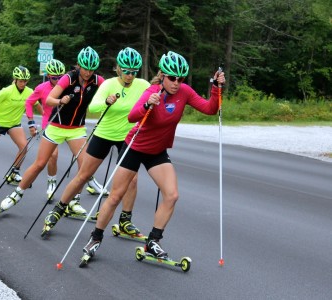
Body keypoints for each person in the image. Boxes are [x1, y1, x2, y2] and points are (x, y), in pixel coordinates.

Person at [81, 51, 226, 261]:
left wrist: (216, 87)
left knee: (172, 195)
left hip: (157, 151)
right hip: (135, 147)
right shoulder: (152, 91)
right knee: (115, 196)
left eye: (180, 79)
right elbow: (132, 117)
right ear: (163, 75)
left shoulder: (184, 92)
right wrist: (148, 104)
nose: (176, 83)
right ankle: (95, 237)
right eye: (172, 78)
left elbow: (210, 109)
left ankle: (152, 242)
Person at [43, 47, 150, 236]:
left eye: (134, 72)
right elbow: (93, 107)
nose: (130, 75)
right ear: (118, 68)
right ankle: (59, 209)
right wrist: (106, 102)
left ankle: (125, 220)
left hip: (127, 137)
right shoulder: (108, 84)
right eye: (126, 71)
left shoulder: (143, 85)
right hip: (104, 134)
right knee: (84, 175)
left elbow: (155, 96)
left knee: (132, 180)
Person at [0, 46, 106, 217]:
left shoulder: (98, 81)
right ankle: (16, 194)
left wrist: (111, 99)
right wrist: (61, 100)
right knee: (40, 163)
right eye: (84, 67)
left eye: (91, 69)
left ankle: (73, 201)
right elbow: (50, 99)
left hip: (76, 129)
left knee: (85, 166)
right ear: (78, 65)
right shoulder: (68, 78)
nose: (88, 72)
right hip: (56, 127)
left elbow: (111, 92)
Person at [26, 59, 107, 202]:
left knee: (83, 159)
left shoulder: (69, 82)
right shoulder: (42, 87)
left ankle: (88, 180)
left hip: (71, 126)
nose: (57, 80)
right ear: (49, 76)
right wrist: (31, 123)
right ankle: (51, 183)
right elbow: (31, 102)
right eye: (53, 77)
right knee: (53, 155)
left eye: (59, 76)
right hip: (51, 122)